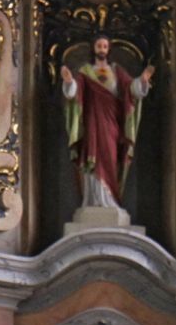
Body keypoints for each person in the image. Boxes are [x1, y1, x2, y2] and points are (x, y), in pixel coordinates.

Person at [60, 34, 154, 208]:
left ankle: (110, 200)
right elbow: (75, 93)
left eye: (105, 46)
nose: (102, 49)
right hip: (92, 122)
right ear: (93, 49)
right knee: (92, 156)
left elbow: (131, 89)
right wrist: (69, 82)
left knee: (110, 157)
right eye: (99, 46)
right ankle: (92, 200)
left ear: (109, 50)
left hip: (112, 122)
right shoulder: (85, 71)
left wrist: (142, 81)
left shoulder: (116, 71)